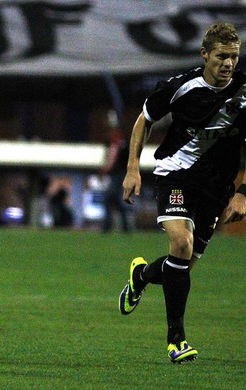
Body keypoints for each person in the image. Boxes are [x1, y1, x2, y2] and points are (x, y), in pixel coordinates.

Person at [119, 22, 246, 364]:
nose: (228, 64)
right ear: (205, 55)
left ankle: (141, 275)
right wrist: (133, 167)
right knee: (181, 244)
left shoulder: (244, 92)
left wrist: (242, 191)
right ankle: (176, 340)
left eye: (234, 57)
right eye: (222, 56)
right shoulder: (181, 86)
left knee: (181, 268)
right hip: (176, 174)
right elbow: (144, 120)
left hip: (217, 188)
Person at [99, 109, 132, 233]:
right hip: (121, 173)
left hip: (118, 173)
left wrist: (106, 168)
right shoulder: (122, 136)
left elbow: (113, 153)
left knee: (109, 197)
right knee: (116, 200)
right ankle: (125, 227)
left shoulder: (115, 136)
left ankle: (108, 225)